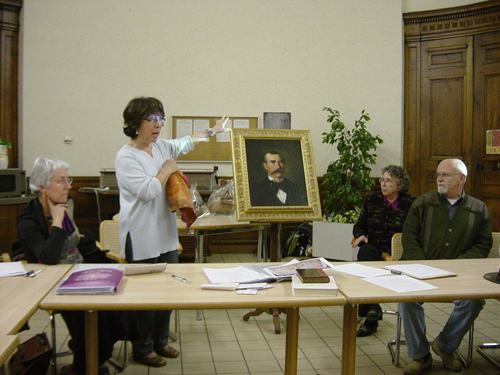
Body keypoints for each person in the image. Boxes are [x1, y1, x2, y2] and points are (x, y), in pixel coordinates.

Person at [115, 96, 227, 368]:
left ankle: (161, 341)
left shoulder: (163, 146)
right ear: (134, 123)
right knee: (144, 297)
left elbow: (185, 142)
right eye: (151, 119)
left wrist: (213, 130)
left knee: (166, 291)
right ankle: (142, 348)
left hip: (165, 234)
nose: (159, 124)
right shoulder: (126, 156)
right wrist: (167, 169)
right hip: (140, 237)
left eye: (160, 118)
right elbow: (147, 191)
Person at [16, 157, 122, 375]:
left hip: (80, 273)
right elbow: (49, 257)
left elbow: (73, 239)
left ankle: (91, 361)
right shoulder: (28, 219)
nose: (69, 186)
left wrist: (79, 236)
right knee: (89, 319)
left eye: (68, 179)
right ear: (43, 187)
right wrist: (56, 222)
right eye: (61, 181)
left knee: (112, 312)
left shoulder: (64, 206)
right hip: (52, 285)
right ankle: (90, 365)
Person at [399, 158, 492, 375]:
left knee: (475, 301)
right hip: (420, 270)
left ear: (462, 179)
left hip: (459, 274)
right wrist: (422, 264)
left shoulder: (478, 209)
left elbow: (483, 243)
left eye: (445, 175)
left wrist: (460, 265)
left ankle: (445, 346)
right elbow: (409, 235)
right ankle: (420, 355)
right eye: (438, 174)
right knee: (406, 299)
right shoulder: (423, 203)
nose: (439, 178)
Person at [352, 165, 416, 337]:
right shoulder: (372, 199)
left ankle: (371, 316)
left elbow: (416, 232)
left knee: (363, 266)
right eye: (382, 180)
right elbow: (359, 225)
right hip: (373, 252)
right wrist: (360, 235)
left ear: (400, 184)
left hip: (397, 256)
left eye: (388, 181)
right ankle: (373, 309)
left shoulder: (410, 203)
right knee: (365, 251)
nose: (383, 184)